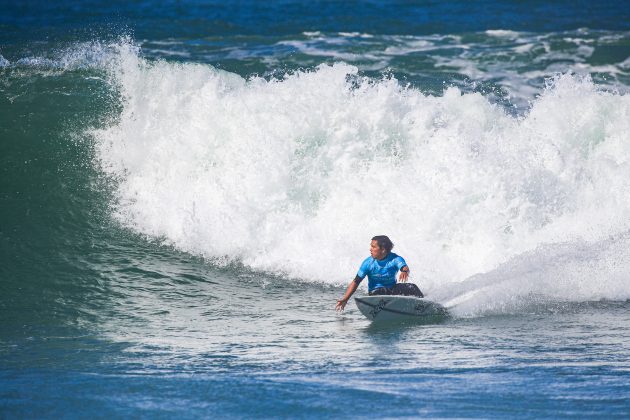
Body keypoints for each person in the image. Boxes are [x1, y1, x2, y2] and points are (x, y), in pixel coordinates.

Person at [335, 235, 424, 311]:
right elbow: (356, 281)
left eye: (373, 247)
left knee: (412, 287)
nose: (370, 249)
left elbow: (404, 267)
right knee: (381, 291)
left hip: (392, 290)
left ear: (383, 250)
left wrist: (404, 271)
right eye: (371, 246)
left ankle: (424, 306)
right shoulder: (368, 263)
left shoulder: (395, 259)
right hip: (375, 294)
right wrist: (345, 299)